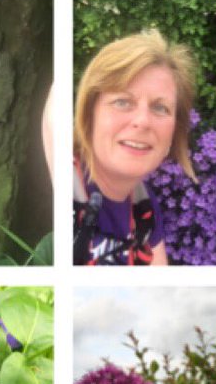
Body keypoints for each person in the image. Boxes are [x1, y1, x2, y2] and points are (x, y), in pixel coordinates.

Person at [73, 30, 197, 265]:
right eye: (122, 102)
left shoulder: (143, 205)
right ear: (89, 113)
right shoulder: (66, 187)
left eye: (160, 108)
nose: (143, 121)